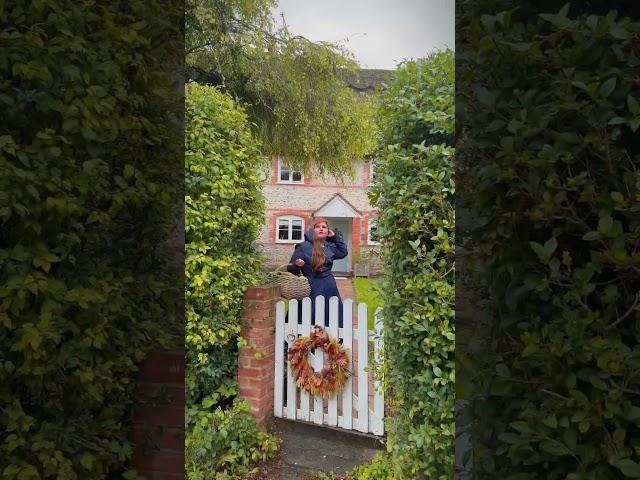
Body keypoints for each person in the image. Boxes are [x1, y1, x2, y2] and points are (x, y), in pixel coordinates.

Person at [286, 217, 348, 327]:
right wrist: (297, 265)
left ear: (327, 231)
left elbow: (343, 252)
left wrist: (334, 237)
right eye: (318, 227)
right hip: (311, 285)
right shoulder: (303, 247)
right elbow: (291, 269)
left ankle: (330, 341)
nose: (321, 229)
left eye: (324, 227)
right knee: (309, 316)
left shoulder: (329, 247)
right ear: (313, 230)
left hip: (329, 285)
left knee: (331, 314)